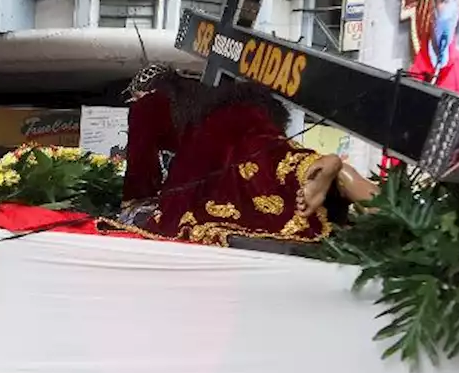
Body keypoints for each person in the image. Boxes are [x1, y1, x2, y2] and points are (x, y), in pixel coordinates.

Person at [121, 65, 375, 246]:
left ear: (142, 91)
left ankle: (326, 168)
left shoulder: (149, 104)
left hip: (212, 141)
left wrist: (134, 203)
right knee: (280, 162)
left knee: (193, 211)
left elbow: (140, 164)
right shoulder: (199, 94)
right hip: (255, 115)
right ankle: (396, 220)